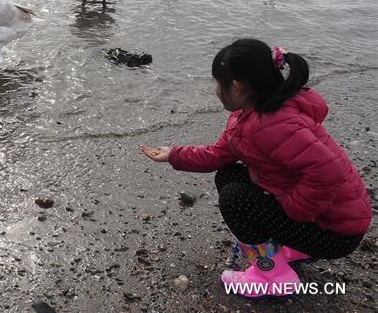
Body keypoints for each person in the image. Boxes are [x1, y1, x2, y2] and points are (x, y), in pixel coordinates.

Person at [140, 39, 371, 299]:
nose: (216, 89)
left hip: (335, 232)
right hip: (327, 218)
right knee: (229, 175)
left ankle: (272, 276)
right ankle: (290, 248)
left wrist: (296, 211)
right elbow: (219, 155)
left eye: (218, 83)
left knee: (235, 200)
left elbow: (327, 174)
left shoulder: (272, 124)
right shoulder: (257, 112)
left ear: (237, 87)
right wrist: (174, 154)